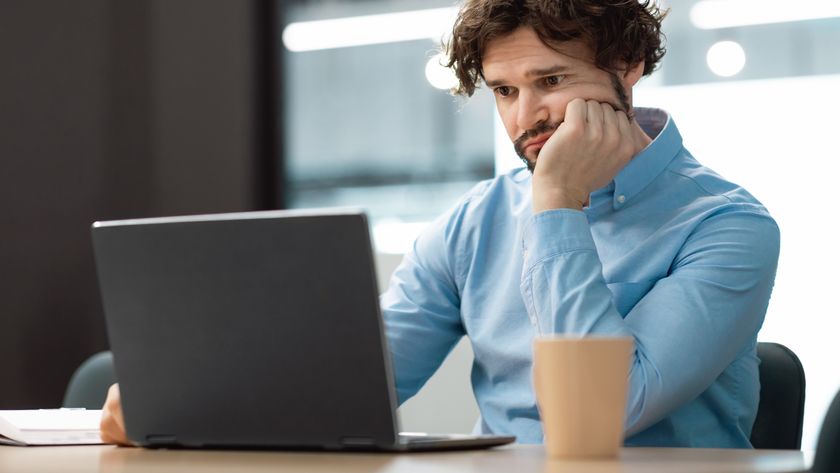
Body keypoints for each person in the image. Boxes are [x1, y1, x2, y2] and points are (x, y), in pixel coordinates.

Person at [101, 0, 779, 448]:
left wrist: (557, 206)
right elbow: (352, 381)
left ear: (628, 68)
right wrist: (191, 407)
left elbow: (598, 420)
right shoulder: (476, 220)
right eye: (506, 92)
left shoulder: (728, 225)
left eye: (551, 80)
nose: (525, 118)